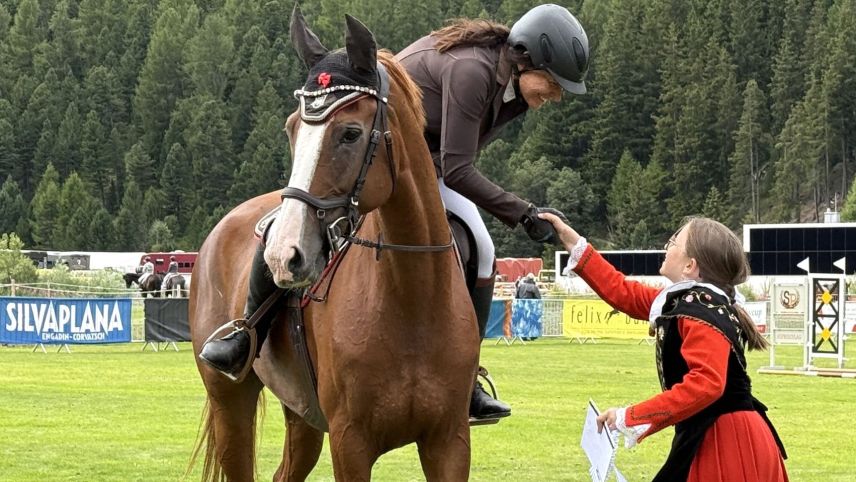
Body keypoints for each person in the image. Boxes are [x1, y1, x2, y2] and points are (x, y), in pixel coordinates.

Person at [199, 4, 589, 422]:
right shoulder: (471, 71)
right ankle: (248, 331)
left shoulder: (509, 88)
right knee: (295, 217)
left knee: (483, 250)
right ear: (524, 59)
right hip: (371, 153)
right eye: (551, 83)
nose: (554, 96)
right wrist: (522, 213)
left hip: (420, 168)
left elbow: (449, 161)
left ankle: (466, 376)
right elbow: (458, 169)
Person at [539, 213, 788, 481]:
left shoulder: (701, 310)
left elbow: (706, 382)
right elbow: (622, 292)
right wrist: (568, 237)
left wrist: (629, 416)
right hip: (713, 433)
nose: (667, 246)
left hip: (728, 441)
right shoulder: (688, 303)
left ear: (690, 266)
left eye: (674, 242)